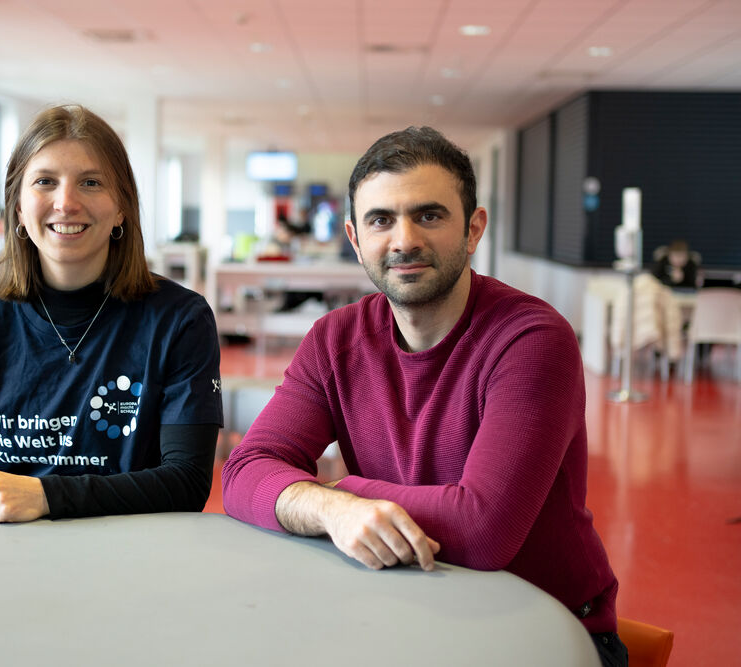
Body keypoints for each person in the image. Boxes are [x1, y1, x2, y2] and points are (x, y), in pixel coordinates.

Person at [221, 126, 626, 666]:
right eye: (381, 219)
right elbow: (244, 471)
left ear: (473, 229)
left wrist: (342, 490)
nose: (404, 239)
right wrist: (329, 508)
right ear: (354, 237)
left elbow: (483, 531)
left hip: (544, 633)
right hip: (406, 614)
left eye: (429, 215)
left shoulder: (532, 339)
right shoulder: (334, 340)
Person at [0, 104, 222, 526]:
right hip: (3, 559)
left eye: (91, 182)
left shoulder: (179, 318)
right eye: (45, 181)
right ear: (19, 208)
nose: (66, 202)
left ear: (121, 208)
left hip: (134, 559)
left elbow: (187, 482)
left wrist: (46, 495)